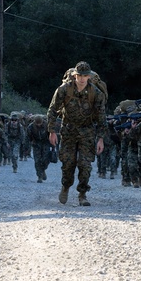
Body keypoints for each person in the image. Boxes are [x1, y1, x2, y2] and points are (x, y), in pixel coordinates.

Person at [47, 61, 106, 206]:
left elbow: (101, 117)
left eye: (85, 76)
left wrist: (100, 139)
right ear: (74, 76)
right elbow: (52, 110)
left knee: (85, 164)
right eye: (79, 75)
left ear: (89, 77)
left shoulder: (95, 93)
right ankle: (66, 187)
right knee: (68, 163)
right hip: (68, 130)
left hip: (87, 131)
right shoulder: (64, 89)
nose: (81, 79)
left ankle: (82, 194)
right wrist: (52, 131)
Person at [27, 113, 52, 182]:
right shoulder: (31, 127)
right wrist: (27, 148)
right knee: (37, 161)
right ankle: (39, 176)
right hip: (36, 144)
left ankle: (43, 169)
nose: (38, 125)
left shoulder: (47, 125)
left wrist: (53, 146)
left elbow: (51, 135)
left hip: (45, 143)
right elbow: (28, 138)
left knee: (45, 159)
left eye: (40, 123)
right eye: (37, 123)